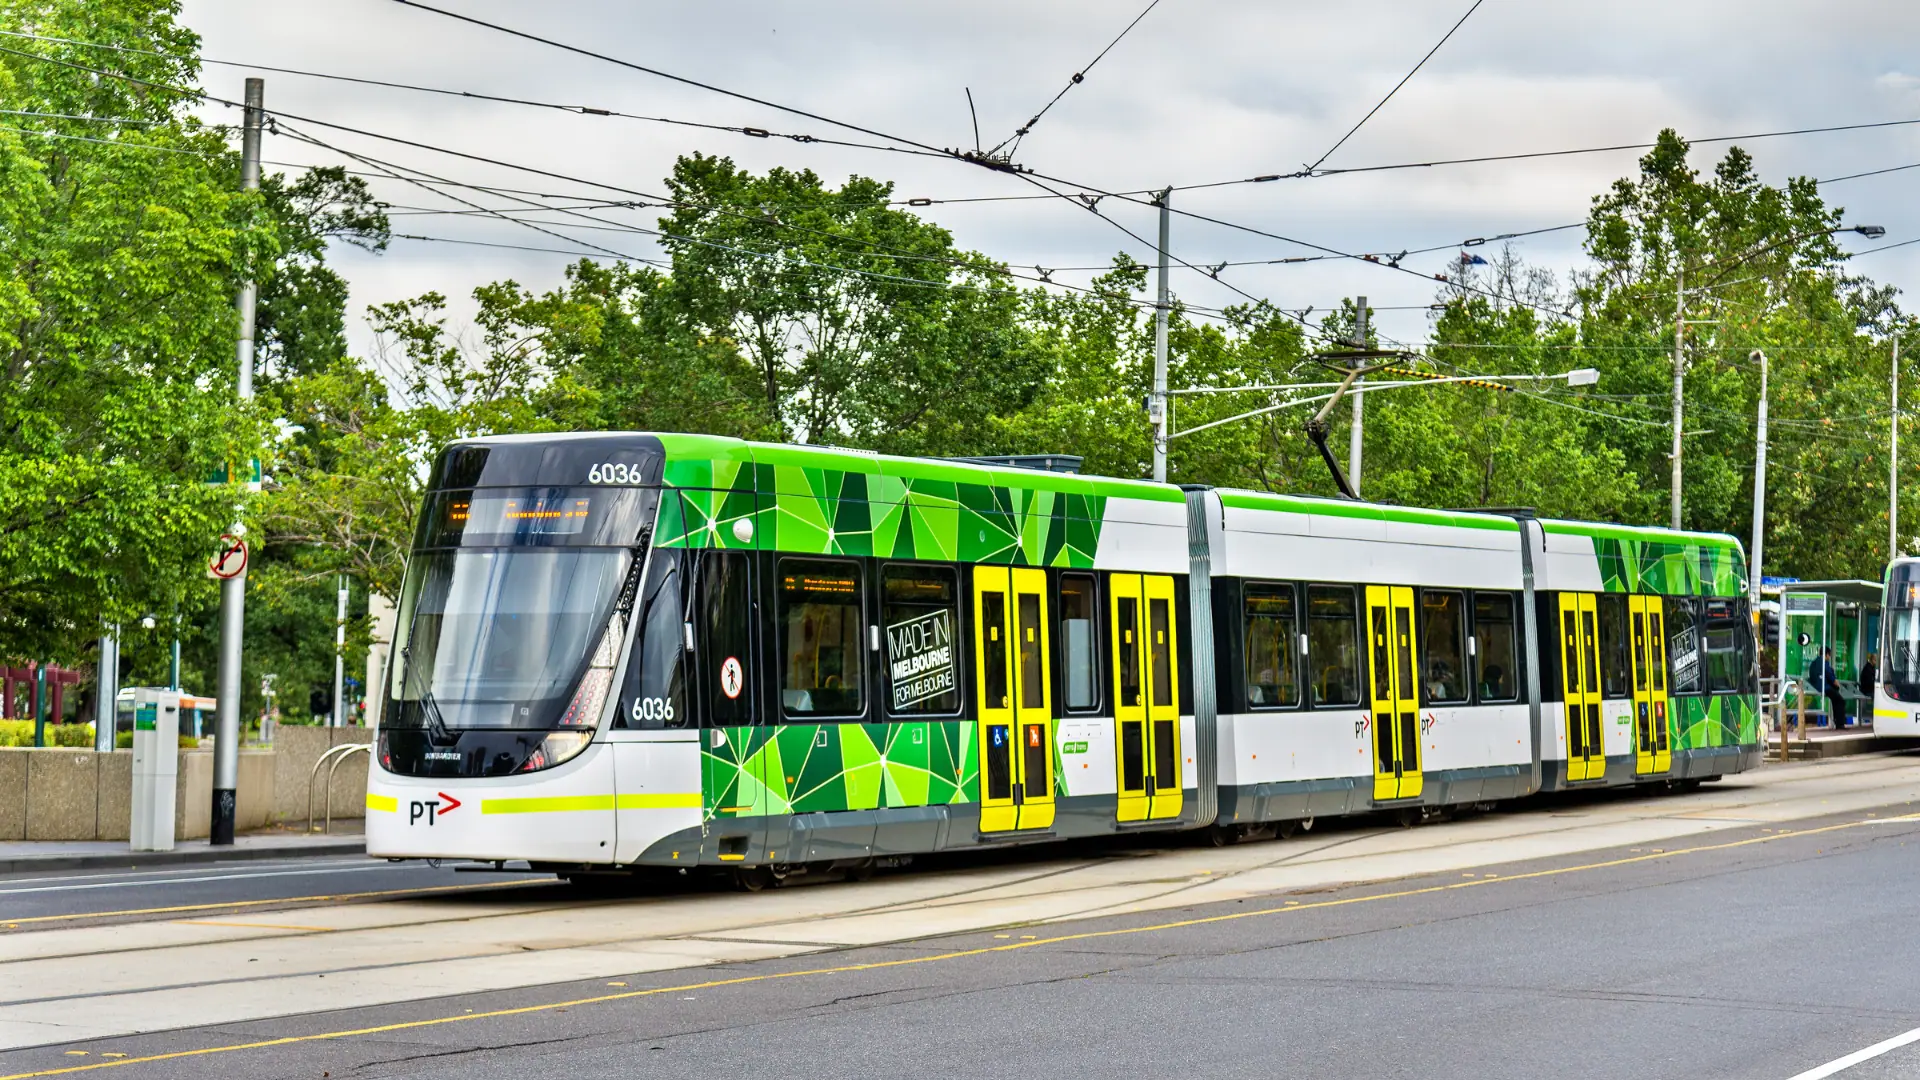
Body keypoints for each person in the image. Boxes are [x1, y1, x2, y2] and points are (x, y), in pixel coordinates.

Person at [1810, 648, 1847, 729]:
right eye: (1829, 655)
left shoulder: (1814, 662)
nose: (1829, 657)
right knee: (1840, 701)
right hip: (1824, 687)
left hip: (1815, 687)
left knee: (1835, 699)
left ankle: (1837, 721)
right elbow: (1831, 677)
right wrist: (1838, 685)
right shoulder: (1824, 663)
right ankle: (1840, 724)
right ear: (1826, 654)